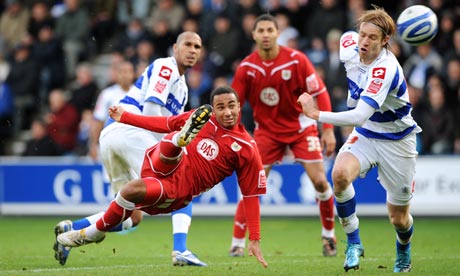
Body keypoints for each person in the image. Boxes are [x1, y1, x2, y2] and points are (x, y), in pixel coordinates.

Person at [55, 86, 268, 268]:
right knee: (170, 139)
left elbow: (250, 196)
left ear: (240, 106)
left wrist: (255, 239)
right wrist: (125, 117)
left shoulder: (247, 148)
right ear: (214, 109)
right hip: (165, 164)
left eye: (232, 105)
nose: (227, 112)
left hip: (179, 189)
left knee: (130, 192)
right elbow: (165, 123)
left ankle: (88, 232)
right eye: (220, 107)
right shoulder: (206, 118)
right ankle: (180, 139)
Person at [53, 31, 206, 266]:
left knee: (131, 214)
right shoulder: (166, 67)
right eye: (188, 44)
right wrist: (171, 147)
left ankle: (72, 230)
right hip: (130, 132)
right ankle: (181, 250)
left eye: (197, 46)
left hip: (115, 137)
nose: (193, 50)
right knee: (183, 183)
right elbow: (152, 110)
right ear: (175, 48)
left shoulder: (183, 87)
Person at [297, 6, 420, 273]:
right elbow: (362, 122)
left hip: (398, 141)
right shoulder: (347, 44)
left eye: (372, 38)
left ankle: (403, 248)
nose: (364, 41)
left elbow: (359, 115)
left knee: (398, 218)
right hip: (367, 134)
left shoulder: (385, 69)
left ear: (385, 40)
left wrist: (315, 114)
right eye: (362, 34)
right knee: (339, 174)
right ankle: (354, 242)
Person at [229, 14, 337, 257]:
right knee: (252, 184)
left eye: (270, 30)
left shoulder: (297, 61)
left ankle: (329, 237)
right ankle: (237, 241)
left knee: (320, 181)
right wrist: (235, 134)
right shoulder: (247, 67)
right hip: (266, 131)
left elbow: (320, 92)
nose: (266, 34)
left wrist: (328, 130)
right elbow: (233, 105)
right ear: (254, 35)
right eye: (261, 30)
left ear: (278, 33)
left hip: (300, 127)